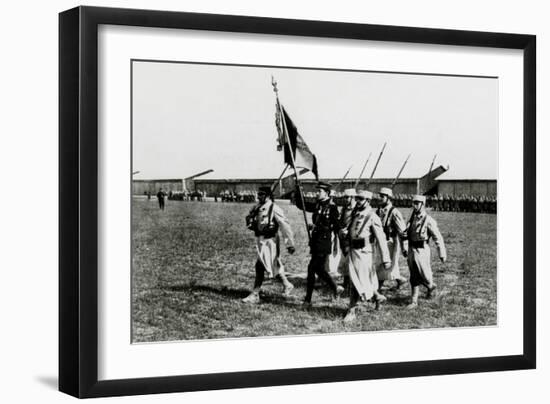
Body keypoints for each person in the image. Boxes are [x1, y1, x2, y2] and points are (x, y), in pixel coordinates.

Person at [343, 190, 391, 322]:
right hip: (353, 251)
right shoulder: (355, 213)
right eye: (357, 198)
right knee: (358, 281)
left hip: (365, 254)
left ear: (368, 201)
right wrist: (346, 233)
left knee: (357, 282)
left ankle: (351, 310)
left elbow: (381, 238)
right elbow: (352, 230)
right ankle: (376, 297)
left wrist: (386, 259)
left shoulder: (372, 216)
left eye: (361, 199)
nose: (357, 201)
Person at [242, 186, 296, 303]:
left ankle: (255, 294)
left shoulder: (274, 208)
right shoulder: (257, 207)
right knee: (273, 265)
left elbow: (285, 226)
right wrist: (250, 218)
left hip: (270, 241)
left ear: (267, 196)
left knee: (260, 265)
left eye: (261, 194)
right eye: (258, 194)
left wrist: (290, 244)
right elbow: (250, 220)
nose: (258, 196)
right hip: (260, 240)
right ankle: (287, 284)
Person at [295, 182, 344, 306]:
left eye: (319, 191)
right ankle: (335, 288)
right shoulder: (318, 205)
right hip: (315, 241)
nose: (317, 193)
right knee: (320, 269)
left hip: (324, 242)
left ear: (326, 193)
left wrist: (342, 235)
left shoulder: (332, 207)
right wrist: (298, 189)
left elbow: (337, 225)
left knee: (311, 268)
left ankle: (308, 300)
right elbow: (301, 204)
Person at [405, 195, 447, 309]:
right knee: (414, 275)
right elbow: (405, 234)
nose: (415, 206)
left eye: (417, 203)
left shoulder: (428, 220)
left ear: (422, 205)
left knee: (425, 275)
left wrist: (442, 253)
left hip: (423, 250)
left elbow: (437, 237)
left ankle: (431, 286)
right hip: (411, 249)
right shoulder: (411, 218)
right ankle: (414, 301)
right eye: (413, 203)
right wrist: (405, 247)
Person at [375, 187, 408, 292]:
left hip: (390, 242)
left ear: (388, 198)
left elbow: (402, 231)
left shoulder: (394, 212)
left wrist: (404, 247)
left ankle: (377, 289)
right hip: (379, 241)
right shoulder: (379, 210)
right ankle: (400, 280)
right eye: (380, 196)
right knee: (384, 264)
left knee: (384, 264)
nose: (380, 198)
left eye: (382, 196)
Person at [337, 188, 357, 291]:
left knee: (351, 261)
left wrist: (348, 230)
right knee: (345, 260)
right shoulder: (344, 208)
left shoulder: (356, 209)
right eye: (344, 197)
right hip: (343, 238)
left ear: (352, 197)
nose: (345, 199)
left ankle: (350, 284)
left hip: (352, 238)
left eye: (347, 197)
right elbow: (341, 220)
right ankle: (346, 283)